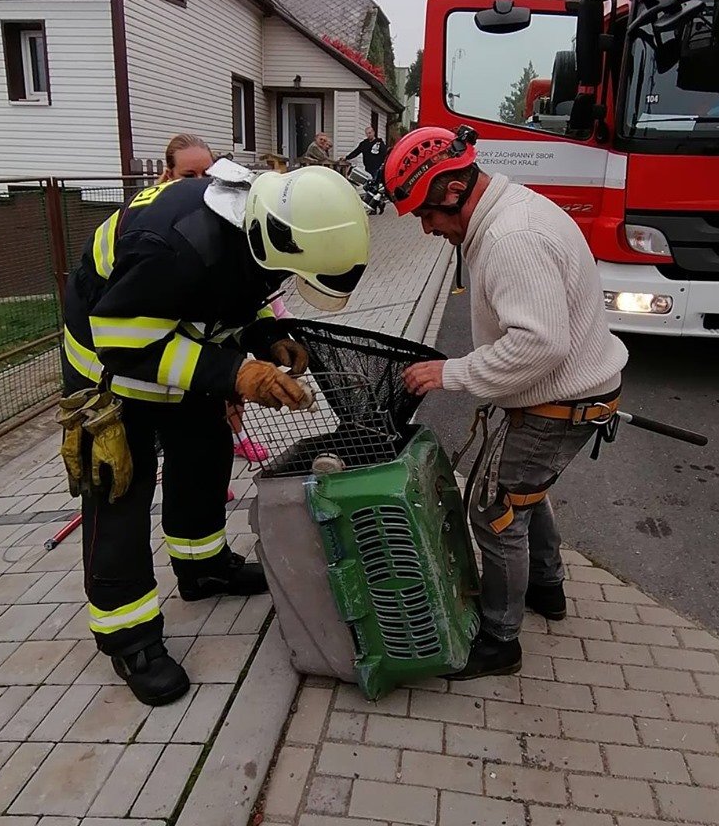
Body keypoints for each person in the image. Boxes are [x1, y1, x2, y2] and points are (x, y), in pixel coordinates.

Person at [58, 164, 369, 705]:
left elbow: (229, 296)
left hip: (179, 353)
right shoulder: (171, 247)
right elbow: (125, 344)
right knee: (121, 496)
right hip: (109, 371)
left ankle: (203, 569)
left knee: (204, 453)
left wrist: (267, 337)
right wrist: (237, 374)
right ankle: (128, 637)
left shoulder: (258, 225)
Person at [385, 125, 628, 680]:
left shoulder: (509, 238)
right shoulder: (507, 214)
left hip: (564, 400)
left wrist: (452, 373)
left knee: (494, 512)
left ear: (451, 189)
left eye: (426, 214)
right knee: (523, 491)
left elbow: (539, 343)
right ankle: (547, 588)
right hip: (571, 392)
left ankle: (500, 640)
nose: (425, 230)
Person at [157, 133, 277, 465]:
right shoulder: (158, 229)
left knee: (230, 395)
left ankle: (227, 449)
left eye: (207, 175)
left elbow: (249, 291)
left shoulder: (226, 215)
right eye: (188, 177)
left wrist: (270, 333)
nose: (200, 185)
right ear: (168, 176)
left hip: (221, 339)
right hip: (179, 356)